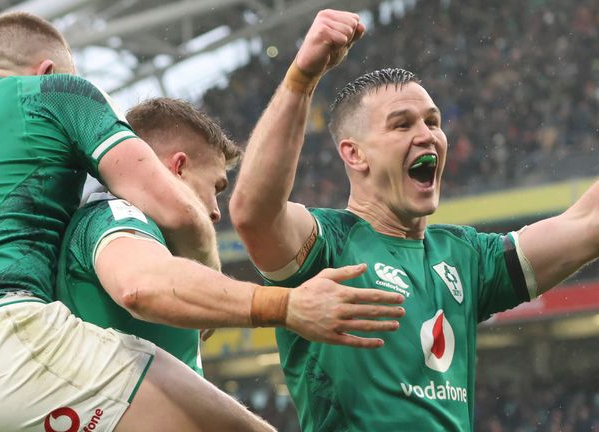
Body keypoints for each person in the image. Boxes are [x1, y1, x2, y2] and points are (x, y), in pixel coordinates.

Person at [229, 9, 599, 432]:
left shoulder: (466, 257)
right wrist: (301, 78)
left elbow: (587, 224)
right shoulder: (327, 245)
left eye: (433, 121)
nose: (426, 135)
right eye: (402, 124)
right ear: (355, 154)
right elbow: (253, 214)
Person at [0, 11, 221, 432]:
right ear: (47, 71)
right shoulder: (51, 92)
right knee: (222, 423)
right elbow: (175, 209)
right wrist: (209, 285)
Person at [55, 97, 406, 430]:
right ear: (178, 168)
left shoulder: (140, 232)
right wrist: (287, 305)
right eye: (216, 187)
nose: (215, 211)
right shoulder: (114, 213)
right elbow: (139, 286)